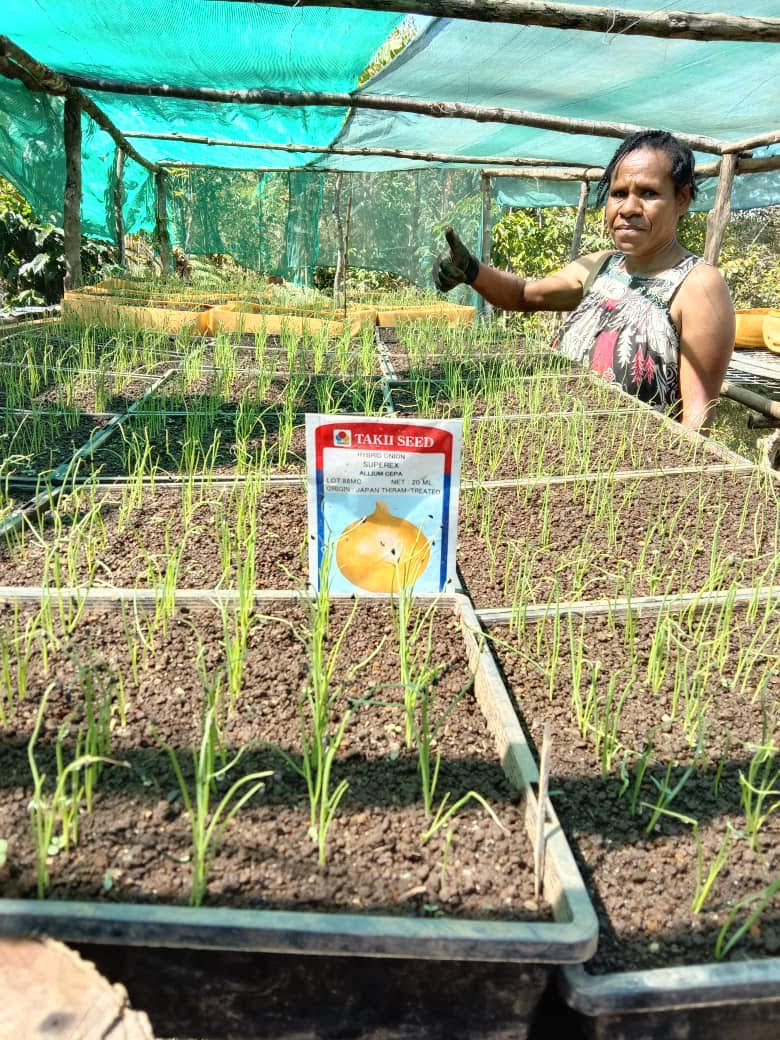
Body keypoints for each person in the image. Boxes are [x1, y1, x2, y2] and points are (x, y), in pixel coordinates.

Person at [432, 130, 735, 431]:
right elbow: (523, 295)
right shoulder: (602, 265)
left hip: (629, 468)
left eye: (648, 193)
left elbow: (697, 420)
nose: (628, 208)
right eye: (619, 193)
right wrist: (470, 270)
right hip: (559, 448)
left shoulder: (698, 285)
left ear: (681, 200)